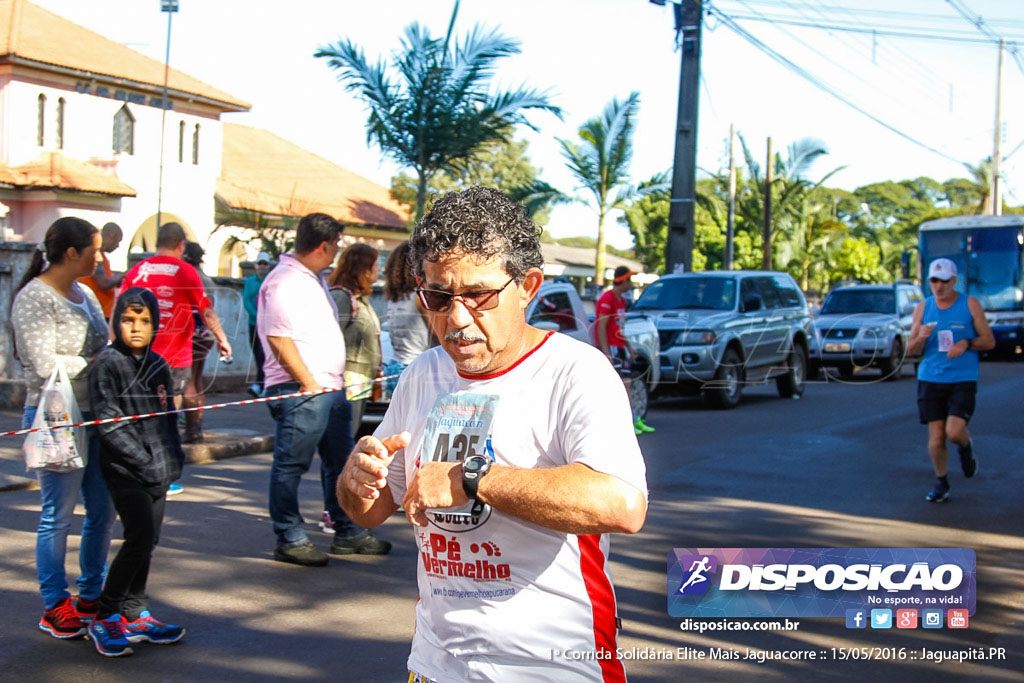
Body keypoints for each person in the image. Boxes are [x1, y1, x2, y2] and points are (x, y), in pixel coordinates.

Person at [339, 187, 648, 682]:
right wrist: (355, 481)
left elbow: (621, 504)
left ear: (527, 285)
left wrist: (471, 479)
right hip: (435, 665)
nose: (456, 319)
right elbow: (371, 512)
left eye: (479, 295)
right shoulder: (424, 374)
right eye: (438, 296)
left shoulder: (575, 372)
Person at [257, 213, 390, 566]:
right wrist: (307, 382)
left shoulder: (311, 280)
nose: (335, 254)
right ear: (324, 246)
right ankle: (289, 536)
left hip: (328, 389)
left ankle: (347, 530)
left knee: (340, 463)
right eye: (335, 247)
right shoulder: (286, 281)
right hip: (305, 389)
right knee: (290, 466)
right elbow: (277, 338)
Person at [10, 217, 115, 639]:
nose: (101, 256)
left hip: (94, 413)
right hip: (54, 416)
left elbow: (104, 341)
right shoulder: (34, 298)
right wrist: (93, 364)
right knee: (58, 516)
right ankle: (55, 602)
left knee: (102, 512)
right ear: (71, 253)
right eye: (95, 249)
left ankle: (91, 593)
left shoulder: (86, 292)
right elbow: (41, 364)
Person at [86, 288, 186, 657]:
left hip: (160, 472)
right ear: (117, 321)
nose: (137, 327)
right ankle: (106, 615)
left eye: (144, 321)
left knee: (149, 541)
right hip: (125, 471)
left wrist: (173, 461)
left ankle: (134, 611)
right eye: (128, 320)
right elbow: (110, 425)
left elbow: (168, 418)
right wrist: (143, 464)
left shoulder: (158, 364)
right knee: (138, 539)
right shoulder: (107, 364)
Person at [120, 223, 232, 418]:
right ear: (181, 245)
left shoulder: (138, 270)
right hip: (176, 354)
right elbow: (206, 310)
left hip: (140, 351)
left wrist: (115, 344)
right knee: (174, 398)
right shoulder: (186, 272)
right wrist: (222, 339)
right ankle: (171, 435)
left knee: (141, 400)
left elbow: (119, 310)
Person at [907, 258, 995, 503]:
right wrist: (921, 337)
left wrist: (966, 342)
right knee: (936, 437)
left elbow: (989, 341)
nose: (939, 286)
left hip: (962, 378)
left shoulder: (970, 304)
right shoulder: (923, 308)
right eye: (934, 280)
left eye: (944, 281)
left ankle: (966, 448)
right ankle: (941, 481)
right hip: (930, 378)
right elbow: (911, 349)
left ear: (954, 281)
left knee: (954, 432)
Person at [328, 243, 382, 434]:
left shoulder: (361, 300)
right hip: (349, 379)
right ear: (363, 270)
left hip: (363, 379)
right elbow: (330, 339)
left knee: (351, 433)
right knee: (344, 436)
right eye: (375, 265)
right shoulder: (342, 297)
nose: (379, 269)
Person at [595, 265, 654, 436]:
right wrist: (606, 352)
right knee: (623, 386)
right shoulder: (608, 298)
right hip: (611, 347)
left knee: (628, 384)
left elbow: (619, 328)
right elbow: (601, 327)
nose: (631, 285)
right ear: (624, 280)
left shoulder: (621, 301)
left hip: (620, 347)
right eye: (629, 280)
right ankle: (629, 422)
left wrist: (629, 347)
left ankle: (635, 419)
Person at [382, 241, 433, 396]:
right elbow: (438, 331)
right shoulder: (419, 297)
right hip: (415, 366)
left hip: (395, 364)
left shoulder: (395, 298)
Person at [180, 242, 217, 444]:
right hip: (205, 334)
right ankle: (196, 425)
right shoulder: (207, 279)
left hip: (191, 333)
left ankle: (192, 429)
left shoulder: (189, 277)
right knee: (197, 380)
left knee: (189, 382)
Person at [78, 222, 125, 320]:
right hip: (95, 313)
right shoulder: (96, 255)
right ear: (112, 236)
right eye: (118, 241)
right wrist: (123, 275)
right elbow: (103, 283)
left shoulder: (101, 256)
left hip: (99, 312)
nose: (117, 246)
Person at [243, 252, 272, 397]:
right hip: (254, 323)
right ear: (255, 265)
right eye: (260, 263)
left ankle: (263, 383)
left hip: (267, 324)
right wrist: (257, 315)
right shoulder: (250, 281)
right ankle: (260, 383)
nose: (262, 267)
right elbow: (246, 301)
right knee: (257, 354)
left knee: (265, 354)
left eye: (265, 264)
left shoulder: (271, 280)